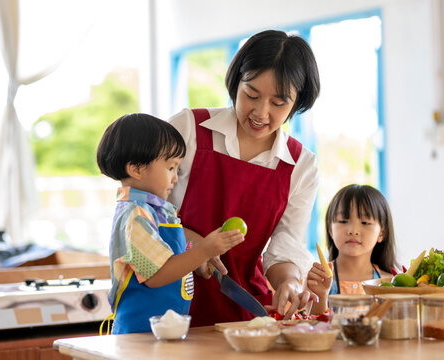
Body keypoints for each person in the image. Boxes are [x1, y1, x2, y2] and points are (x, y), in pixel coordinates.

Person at [168, 29, 321, 326]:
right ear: (236, 81)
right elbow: (141, 210)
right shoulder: (188, 129)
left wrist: (289, 281)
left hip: (241, 313)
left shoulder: (300, 165)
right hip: (167, 304)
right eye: (251, 94)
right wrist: (194, 246)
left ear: (297, 103)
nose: (261, 112)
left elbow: (286, 243)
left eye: (278, 103)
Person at [96, 113, 244, 334]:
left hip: (161, 333)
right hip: (138, 336)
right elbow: (157, 276)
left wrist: (198, 262)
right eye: (171, 167)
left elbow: (171, 258)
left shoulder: (157, 211)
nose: (176, 177)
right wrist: (205, 250)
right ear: (136, 169)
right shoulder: (135, 215)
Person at [307, 184, 397, 308]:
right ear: (330, 229)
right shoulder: (315, 281)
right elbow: (312, 325)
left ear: (382, 233)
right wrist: (321, 296)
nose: (353, 230)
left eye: (365, 222)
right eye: (343, 221)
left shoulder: (391, 283)